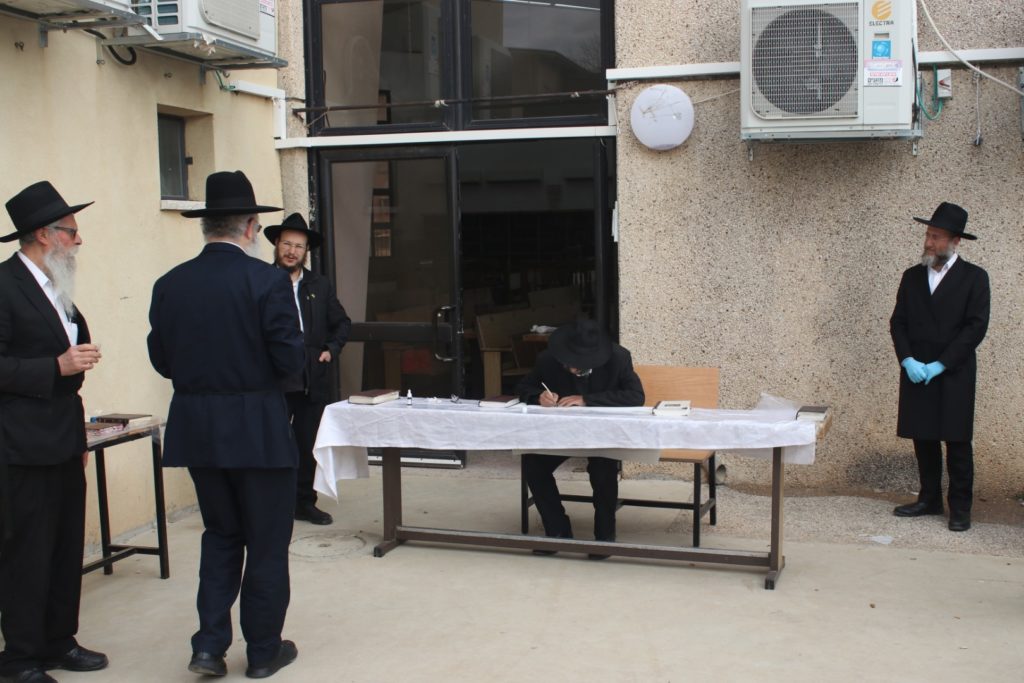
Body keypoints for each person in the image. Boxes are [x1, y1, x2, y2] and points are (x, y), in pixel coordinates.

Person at [147, 171, 304, 679]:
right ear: (251, 227)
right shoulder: (267, 281)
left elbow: (162, 359)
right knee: (266, 541)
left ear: (206, 226)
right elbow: (290, 359)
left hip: (198, 429)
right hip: (258, 429)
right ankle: (262, 650)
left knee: (220, 535)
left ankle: (209, 647)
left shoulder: (170, 283)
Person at [0, 181, 107, 683]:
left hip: (63, 435)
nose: (78, 240)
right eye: (71, 232)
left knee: (66, 546)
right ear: (44, 234)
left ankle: (59, 640)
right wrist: (55, 366)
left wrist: (78, 429)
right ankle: (21, 656)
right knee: (28, 551)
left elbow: (67, 357)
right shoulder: (5, 286)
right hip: (22, 443)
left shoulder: (56, 287)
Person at [890, 202, 990, 532]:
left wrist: (942, 364)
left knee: (957, 441)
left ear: (955, 241)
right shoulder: (912, 276)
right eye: (928, 235)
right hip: (917, 369)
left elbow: (975, 327)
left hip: (954, 371)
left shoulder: (975, 278)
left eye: (936, 236)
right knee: (924, 437)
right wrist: (907, 359)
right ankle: (929, 498)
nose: (929, 242)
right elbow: (898, 322)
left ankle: (960, 508)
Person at [517, 320, 644, 557]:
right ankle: (557, 531)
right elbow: (525, 387)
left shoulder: (618, 358)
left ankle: (604, 537)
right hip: (562, 433)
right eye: (568, 362)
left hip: (602, 433)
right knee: (533, 464)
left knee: (603, 469)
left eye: (579, 364)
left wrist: (587, 400)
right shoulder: (548, 359)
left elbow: (636, 396)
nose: (572, 368)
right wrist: (538, 397)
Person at [264, 212, 351, 525]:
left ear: (306, 251)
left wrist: (331, 349)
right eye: (287, 244)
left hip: (310, 377)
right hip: (273, 378)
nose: (292, 251)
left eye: (298, 246)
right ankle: (272, 503)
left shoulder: (319, 284)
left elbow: (342, 323)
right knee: (272, 442)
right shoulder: (261, 280)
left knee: (307, 443)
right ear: (277, 244)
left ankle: (304, 502)